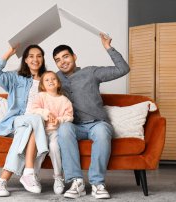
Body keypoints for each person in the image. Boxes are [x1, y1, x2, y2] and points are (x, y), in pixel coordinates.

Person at [52, 33, 130, 199]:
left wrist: (108, 47)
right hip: (73, 125)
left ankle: (97, 183)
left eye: (65, 56)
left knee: (102, 132)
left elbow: (123, 69)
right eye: (58, 60)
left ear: (74, 57)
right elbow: (37, 86)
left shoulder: (91, 72)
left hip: (97, 123)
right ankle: (76, 182)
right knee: (64, 130)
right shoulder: (55, 79)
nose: (62, 61)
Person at [0, 44, 49, 197]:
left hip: (35, 125)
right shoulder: (15, 77)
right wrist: (8, 53)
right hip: (16, 121)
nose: (35, 59)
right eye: (31, 56)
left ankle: (2, 180)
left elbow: (56, 99)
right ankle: (30, 172)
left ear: (43, 59)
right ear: (25, 60)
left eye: (39, 56)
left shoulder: (48, 79)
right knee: (34, 120)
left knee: (31, 126)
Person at [30, 71, 74, 195]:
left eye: (53, 79)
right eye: (47, 80)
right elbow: (33, 110)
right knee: (40, 149)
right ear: (43, 85)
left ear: (58, 83)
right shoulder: (41, 96)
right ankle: (34, 176)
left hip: (56, 131)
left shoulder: (64, 100)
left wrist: (58, 120)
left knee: (54, 147)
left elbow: (69, 117)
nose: (50, 81)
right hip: (41, 131)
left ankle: (58, 177)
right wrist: (46, 113)